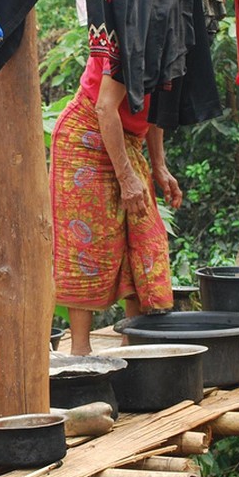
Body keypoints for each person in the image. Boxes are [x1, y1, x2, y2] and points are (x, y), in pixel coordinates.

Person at [50, 56, 184, 356]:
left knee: (141, 239)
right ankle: (80, 352)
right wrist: (125, 177)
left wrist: (159, 166)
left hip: (129, 140)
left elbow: (156, 109)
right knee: (88, 242)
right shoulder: (128, 33)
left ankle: (132, 347)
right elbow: (104, 107)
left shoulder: (176, 41)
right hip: (86, 134)